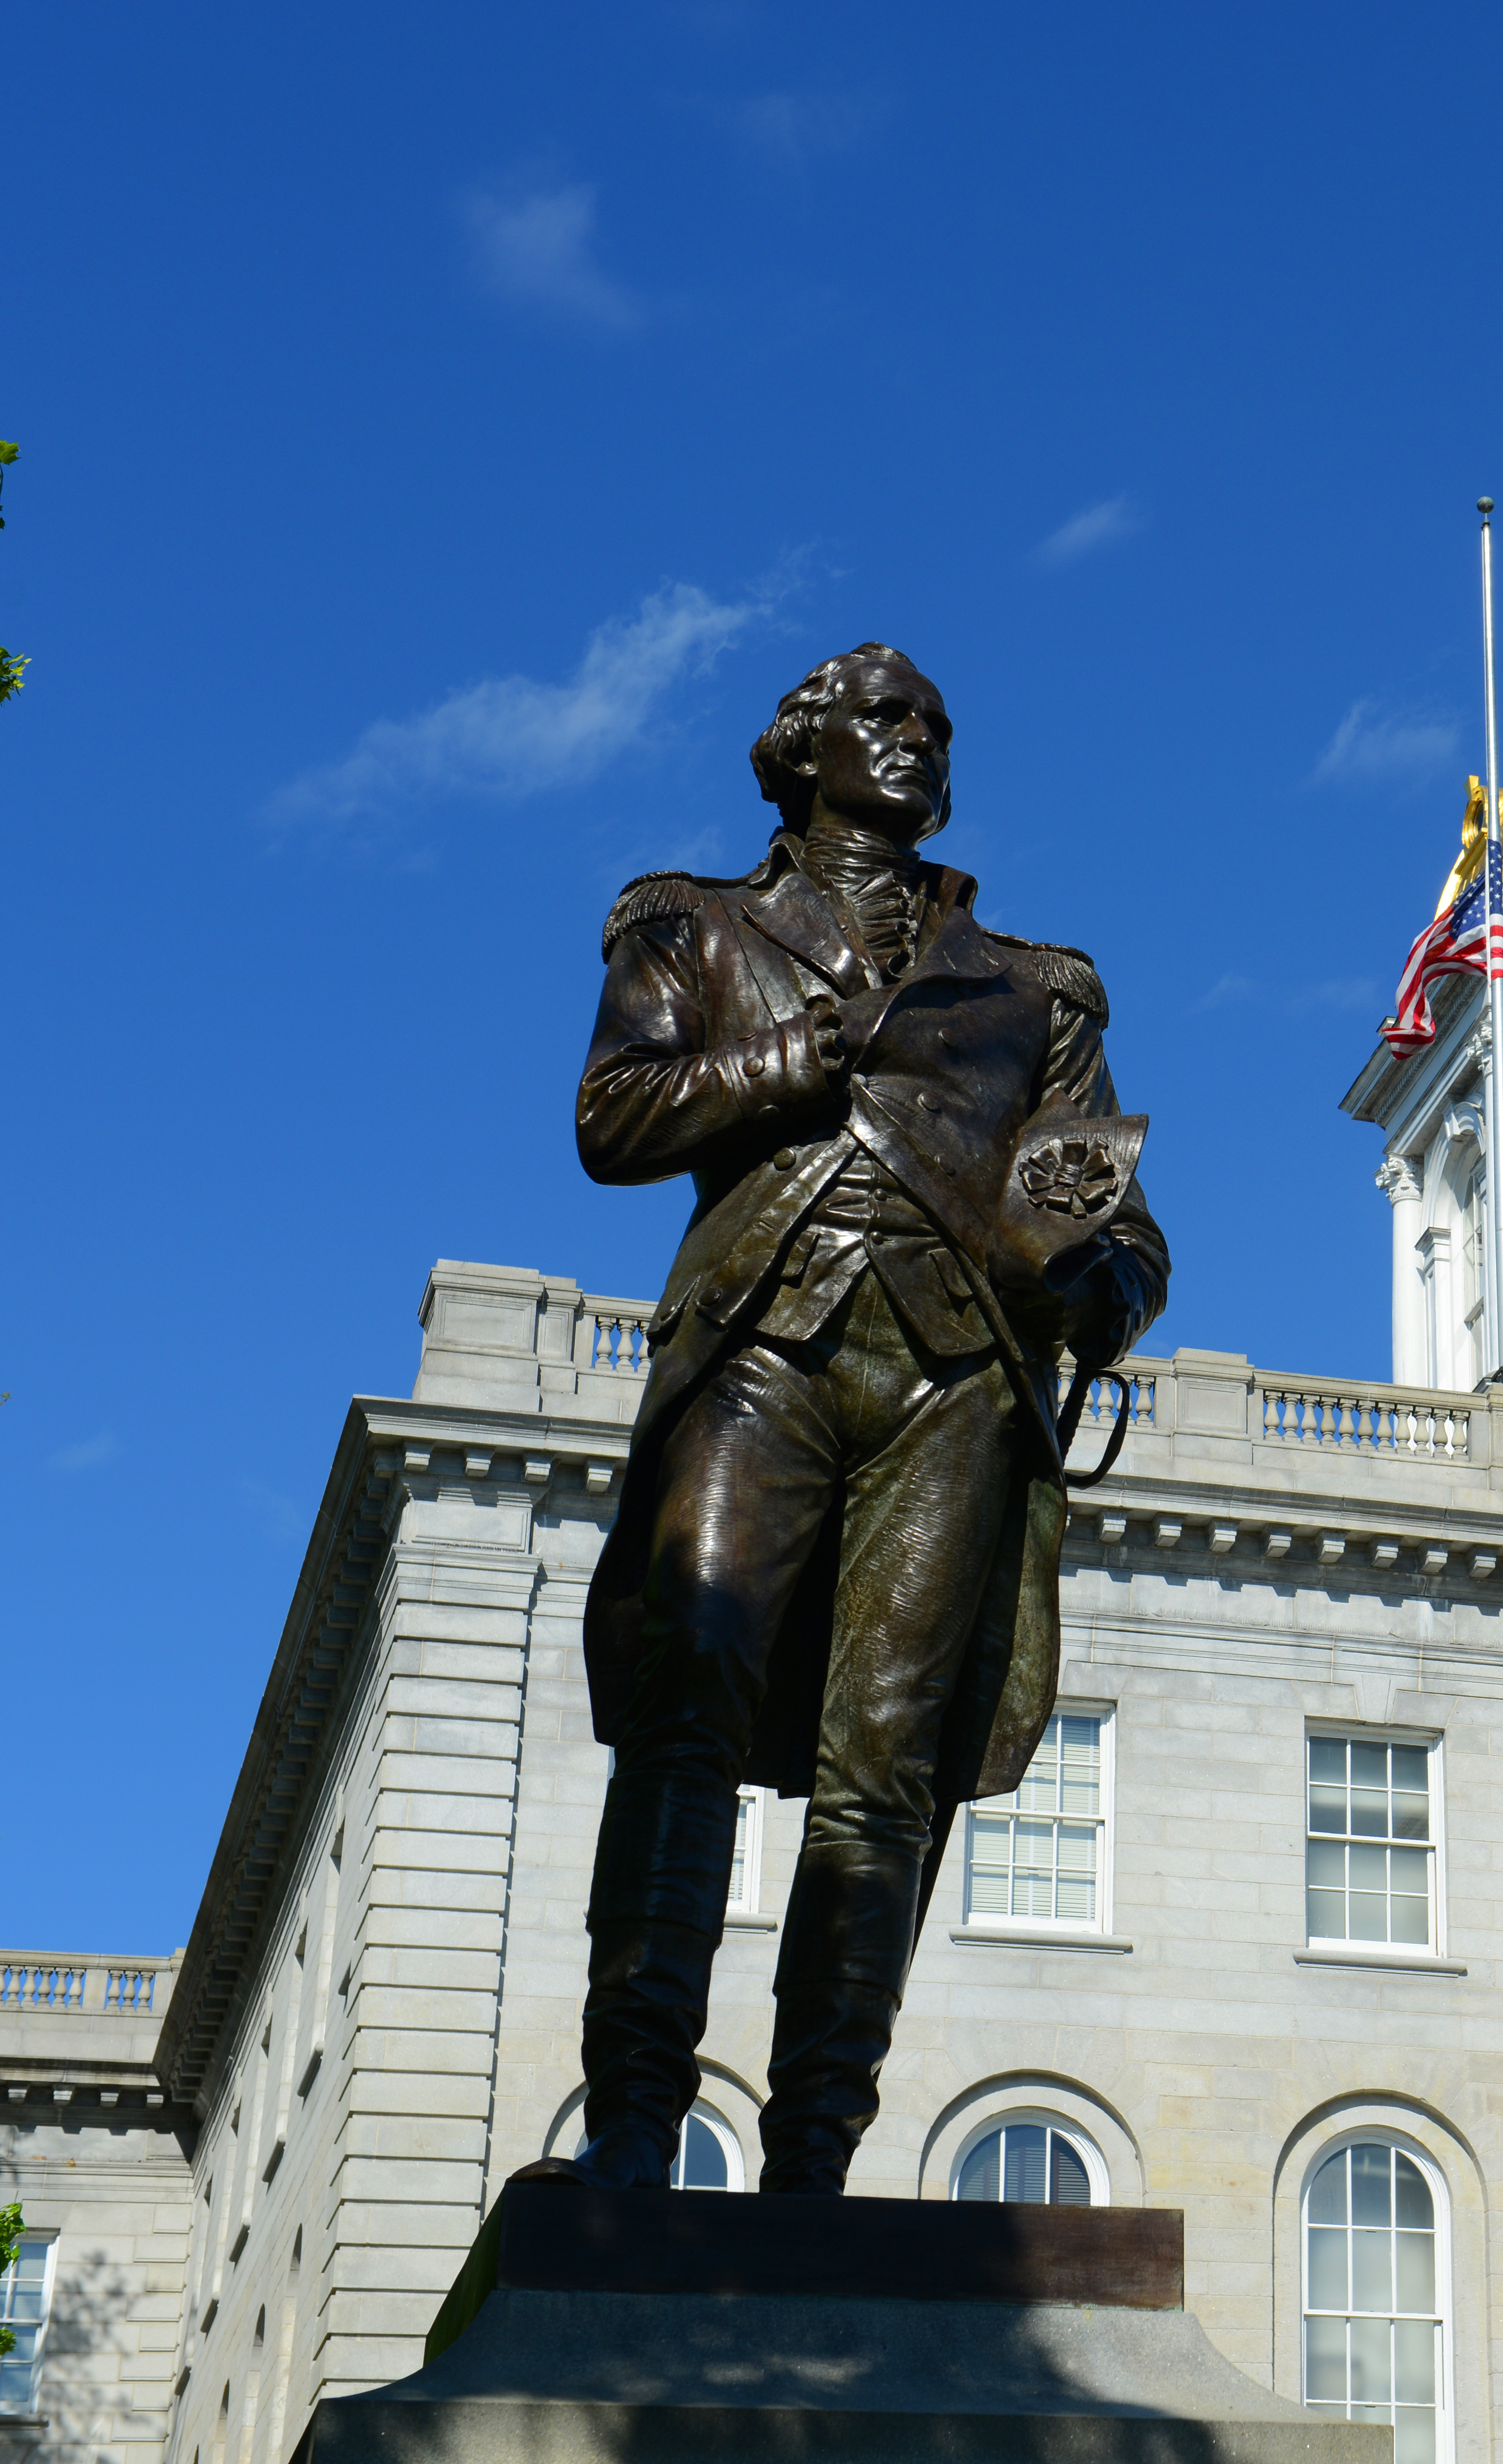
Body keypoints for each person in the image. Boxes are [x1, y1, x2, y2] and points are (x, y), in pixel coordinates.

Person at [561, 642, 1165, 2193]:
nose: (916, 745)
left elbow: (1128, 1223)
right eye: (884, 719)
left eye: (937, 729)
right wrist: (795, 1056)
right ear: (803, 748)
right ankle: (633, 2121)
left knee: (886, 1760)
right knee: (687, 1703)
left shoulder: (1038, 988)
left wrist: (1100, 1288)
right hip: (763, 1342)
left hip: (956, 1379)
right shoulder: (692, 924)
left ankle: (817, 2151)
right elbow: (614, 1119)